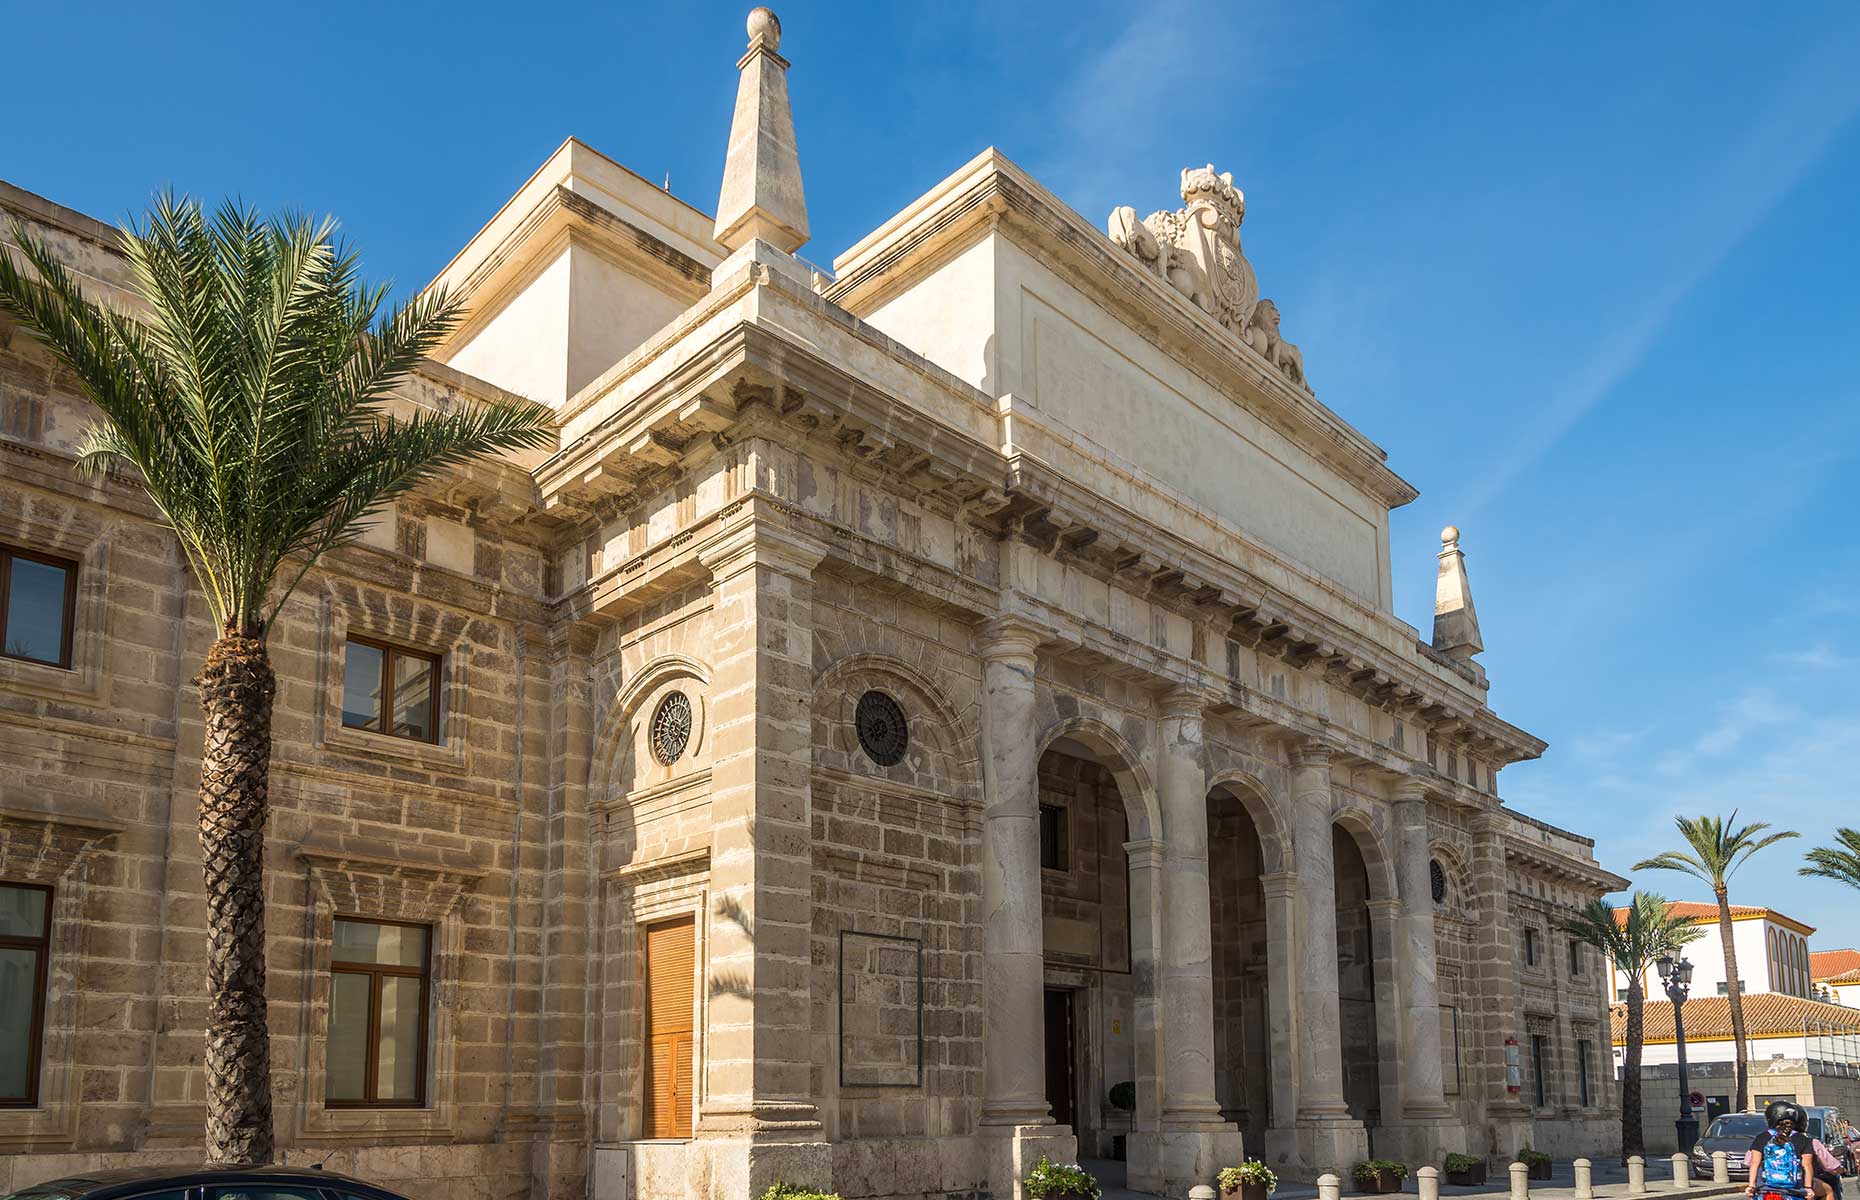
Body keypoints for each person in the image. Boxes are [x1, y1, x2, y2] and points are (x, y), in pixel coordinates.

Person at [1747, 1101, 1817, 1199]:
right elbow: (1807, 1165)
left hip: (1765, 1188)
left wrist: (1751, 1186)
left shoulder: (1761, 1138)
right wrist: (1808, 1188)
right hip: (1794, 1190)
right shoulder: (1803, 1139)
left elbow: (1754, 1163)